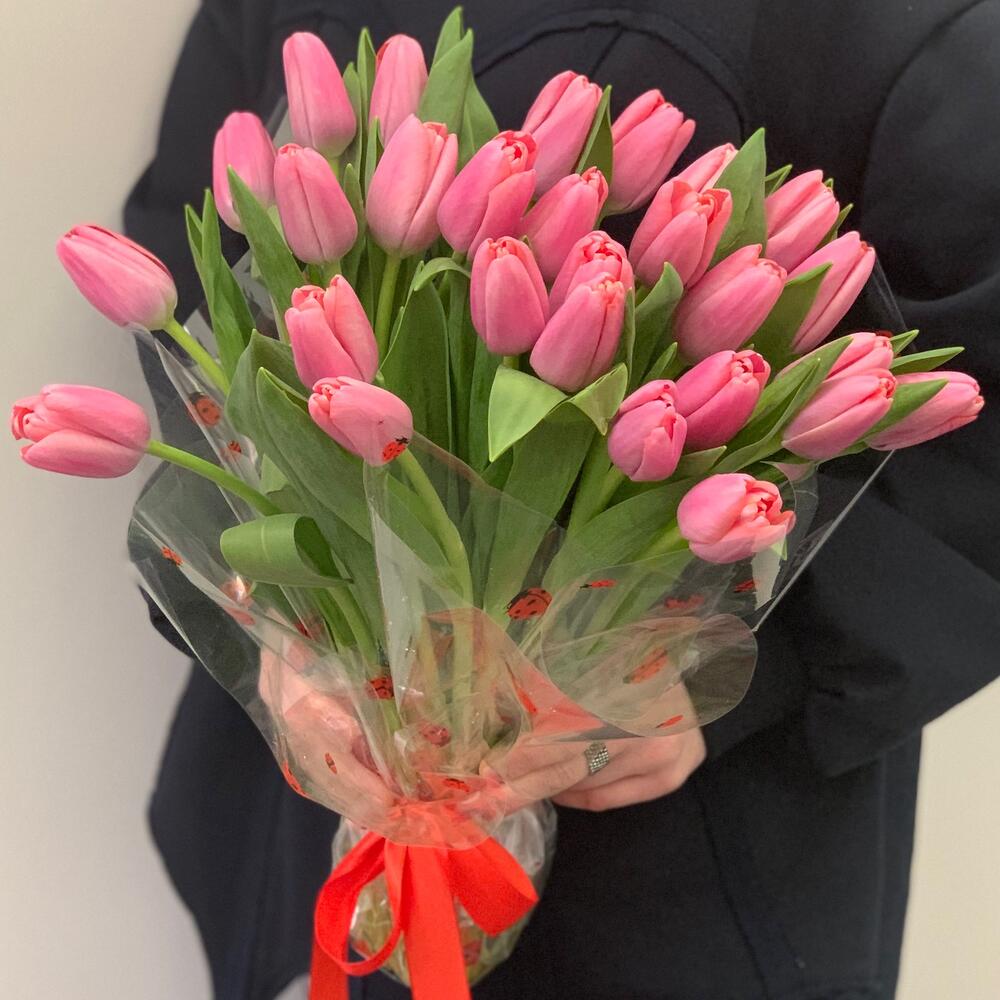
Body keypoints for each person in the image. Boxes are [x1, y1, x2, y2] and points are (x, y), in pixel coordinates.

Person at [125, 2, 1000, 997]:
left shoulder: (898, 33)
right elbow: (199, 274)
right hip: (307, 788)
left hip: (687, 857)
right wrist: (273, 600)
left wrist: (728, 670)